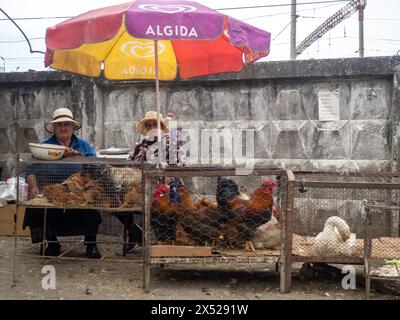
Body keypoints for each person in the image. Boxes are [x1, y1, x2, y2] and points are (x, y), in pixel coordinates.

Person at [23, 107, 102, 258]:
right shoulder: (45, 146)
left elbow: (95, 167)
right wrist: (34, 187)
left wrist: (81, 160)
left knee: (91, 206)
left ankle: (91, 244)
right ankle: (52, 243)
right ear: (54, 128)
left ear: (73, 127)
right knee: (34, 208)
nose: (63, 128)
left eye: (67, 124)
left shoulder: (84, 145)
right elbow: (30, 169)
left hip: (78, 190)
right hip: (52, 190)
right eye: (59, 125)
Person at [114, 111, 184, 252]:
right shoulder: (141, 144)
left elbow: (181, 164)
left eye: (155, 124)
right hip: (141, 186)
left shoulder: (170, 143)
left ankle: (163, 242)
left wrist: (164, 167)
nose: (152, 127)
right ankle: (135, 231)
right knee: (114, 199)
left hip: (165, 185)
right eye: (149, 125)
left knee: (163, 204)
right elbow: (130, 162)